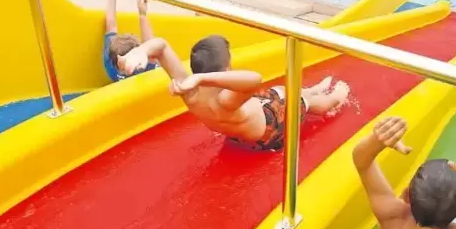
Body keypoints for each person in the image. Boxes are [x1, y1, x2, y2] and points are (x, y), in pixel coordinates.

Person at [118, 35, 349, 151]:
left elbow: (160, 46)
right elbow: (255, 79)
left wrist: (139, 51)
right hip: (270, 130)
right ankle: (333, 97)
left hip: (244, 130)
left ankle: (313, 90)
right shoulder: (225, 99)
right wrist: (202, 78)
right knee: (304, 103)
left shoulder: (189, 90)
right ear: (226, 69)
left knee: (279, 92)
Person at [103, 0, 157, 82]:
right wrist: (142, 13)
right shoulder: (144, 70)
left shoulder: (110, 62)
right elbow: (150, 44)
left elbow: (111, 24)